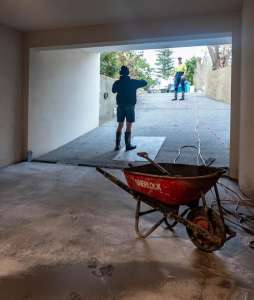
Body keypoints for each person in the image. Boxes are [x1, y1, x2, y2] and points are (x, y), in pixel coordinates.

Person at [112, 66, 147, 151]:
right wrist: (135, 80)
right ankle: (128, 145)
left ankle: (117, 146)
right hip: (130, 106)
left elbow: (113, 91)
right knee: (129, 125)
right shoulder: (133, 82)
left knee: (120, 125)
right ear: (128, 73)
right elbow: (145, 82)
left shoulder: (117, 82)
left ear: (120, 73)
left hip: (120, 106)